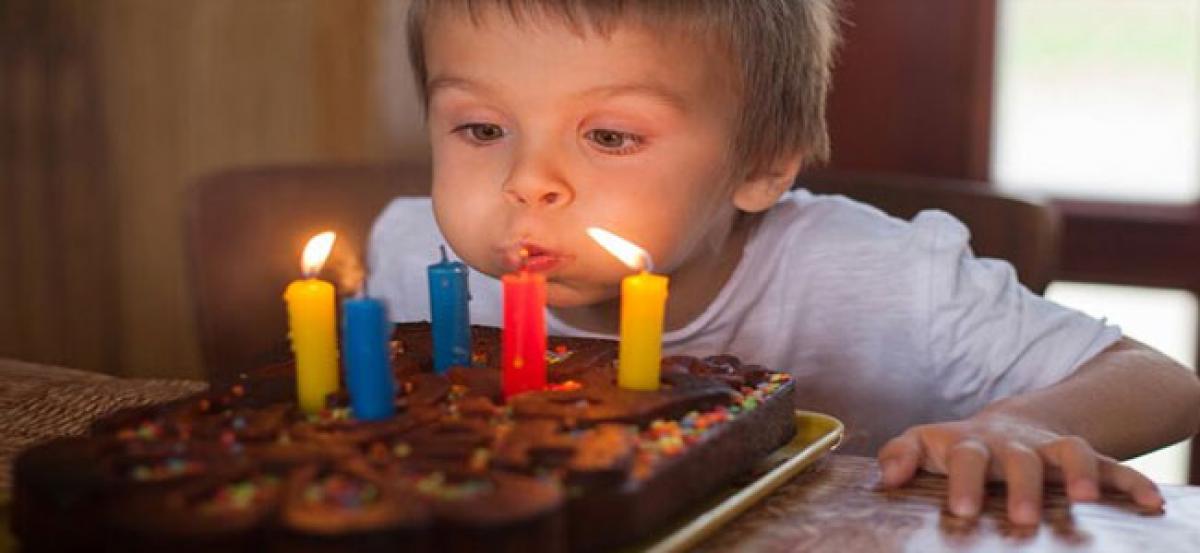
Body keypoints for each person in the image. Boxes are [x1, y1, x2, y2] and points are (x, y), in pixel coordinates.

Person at [367, 0, 1200, 525]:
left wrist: (1021, 424)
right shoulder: (414, 257)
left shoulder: (883, 276)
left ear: (762, 163)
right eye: (481, 128)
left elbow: (1161, 379)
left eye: (609, 136)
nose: (527, 183)